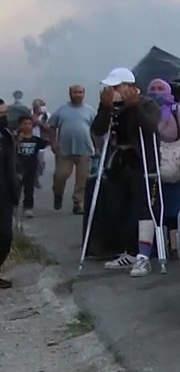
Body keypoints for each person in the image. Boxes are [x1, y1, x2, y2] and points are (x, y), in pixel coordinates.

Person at [92, 68, 162, 277]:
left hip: (141, 162)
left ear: (130, 87)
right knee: (120, 208)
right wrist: (105, 108)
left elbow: (150, 127)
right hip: (119, 163)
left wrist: (134, 107)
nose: (112, 91)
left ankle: (143, 256)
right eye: (110, 87)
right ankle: (129, 252)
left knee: (144, 208)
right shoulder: (112, 107)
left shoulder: (147, 103)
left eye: (116, 87)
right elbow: (98, 130)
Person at [147, 79, 180, 256]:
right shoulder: (144, 112)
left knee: (177, 212)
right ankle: (155, 248)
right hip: (153, 173)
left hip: (177, 172)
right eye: (153, 88)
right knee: (153, 212)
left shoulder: (178, 111)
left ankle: (178, 248)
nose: (156, 92)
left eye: (160, 88)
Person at [48, 85, 97, 214]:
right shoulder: (62, 110)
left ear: (84, 94)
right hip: (65, 150)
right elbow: (52, 126)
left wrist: (97, 147)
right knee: (60, 176)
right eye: (75, 92)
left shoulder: (90, 111)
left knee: (82, 180)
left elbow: (96, 130)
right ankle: (58, 195)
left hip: (85, 149)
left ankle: (78, 203)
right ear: (70, 94)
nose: (77, 95)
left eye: (80, 92)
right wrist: (53, 142)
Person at [14, 115, 49, 219]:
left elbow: (47, 141)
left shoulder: (35, 140)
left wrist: (42, 126)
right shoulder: (15, 139)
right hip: (18, 168)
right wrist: (18, 140)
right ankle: (13, 207)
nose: (27, 126)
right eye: (24, 124)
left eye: (29, 124)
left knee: (29, 190)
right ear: (19, 126)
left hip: (31, 168)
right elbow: (10, 149)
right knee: (16, 189)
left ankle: (28, 208)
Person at [0, 113, 16, 289]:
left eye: (5, 113)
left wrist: (14, 189)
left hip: (4, 193)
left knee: (5, 235)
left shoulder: (6, 136)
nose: (4, 117)